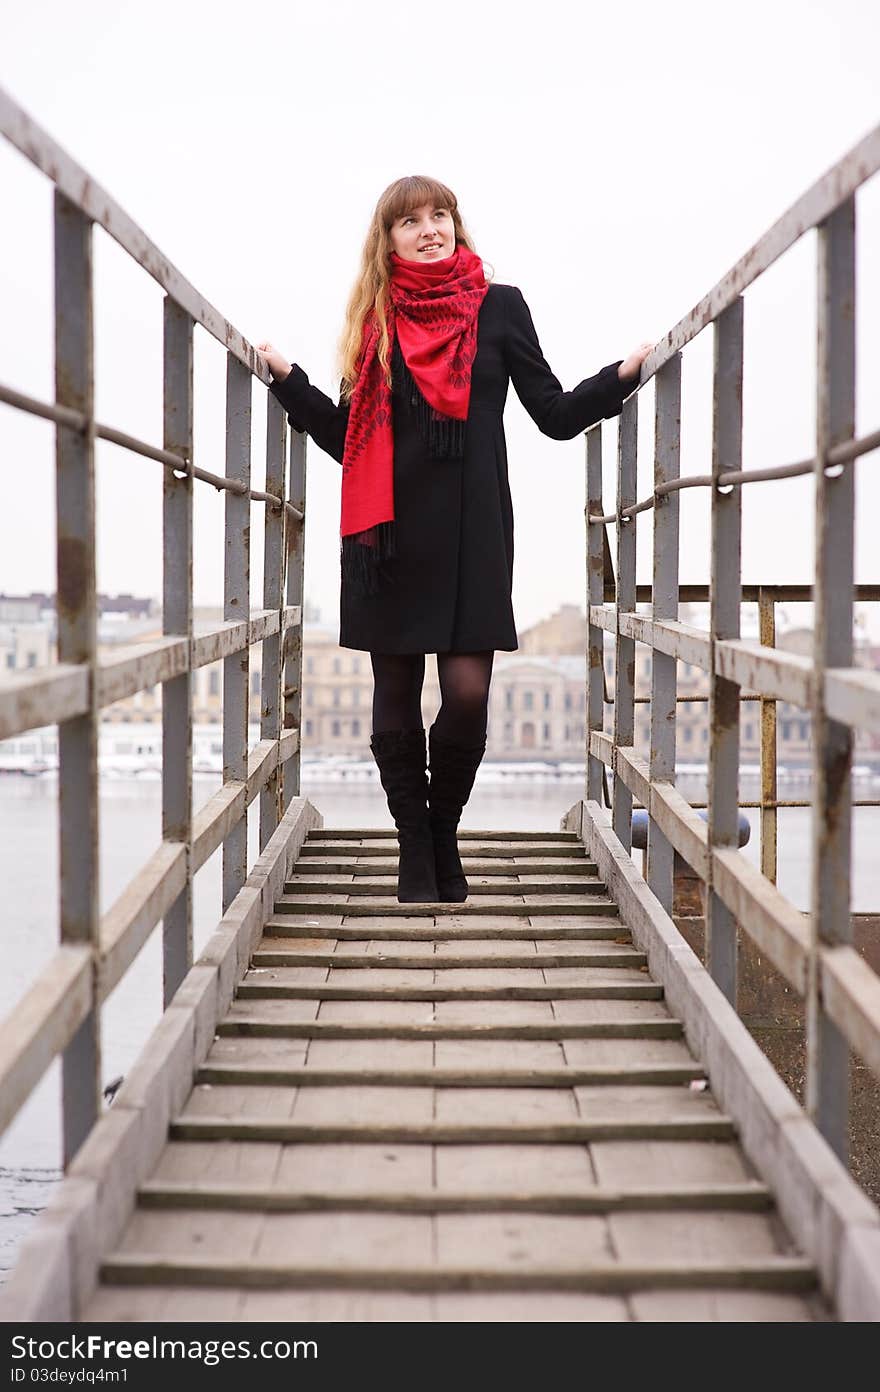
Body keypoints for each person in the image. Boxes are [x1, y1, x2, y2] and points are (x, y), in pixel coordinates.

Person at [256, 175, 652, 907]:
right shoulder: (375, 321)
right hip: (390, 535)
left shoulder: (500, 308)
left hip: (475, 532)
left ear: (458, 226)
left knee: (468, 693)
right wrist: (289, 382)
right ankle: (415, 848)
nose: (431, 228)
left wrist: (621, 378)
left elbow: (556, 414)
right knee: (397, 689)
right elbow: (352, 439)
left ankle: (443, 831)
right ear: (388, 240)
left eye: (442, 215)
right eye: (412, 221)